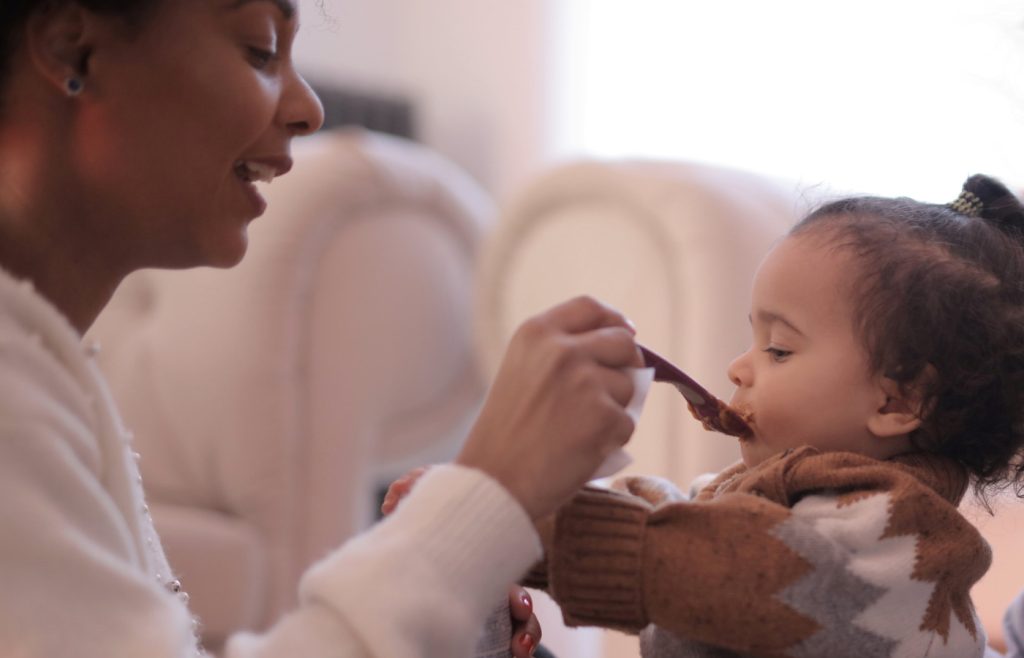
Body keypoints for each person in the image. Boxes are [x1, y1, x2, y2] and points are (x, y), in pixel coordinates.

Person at [0, 1, 644, 657]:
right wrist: (484, 497)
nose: (309, 109)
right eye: (258, 48)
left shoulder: (47, 376)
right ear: (75, 54)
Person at [388, 175, 1024, 657]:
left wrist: (524, 520)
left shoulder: (902, 544)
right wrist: (497, 525)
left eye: (779, 349)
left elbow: (741, 566)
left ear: (897, 401)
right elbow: (673, 515)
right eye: (753, 341)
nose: (738, 368)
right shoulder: (776, 507)